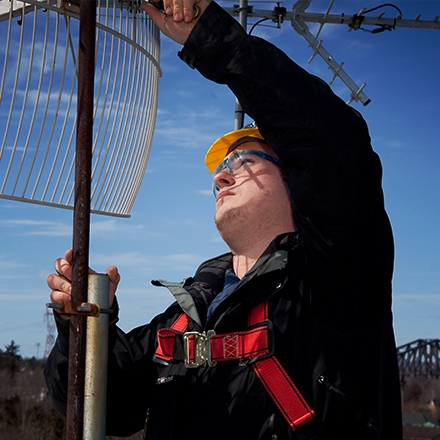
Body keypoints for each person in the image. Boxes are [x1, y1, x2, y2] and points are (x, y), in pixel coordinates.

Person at [44, 0, 403, 438]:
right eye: (220, 169)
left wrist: (213, 39)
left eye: (246, 158)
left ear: (298, 177)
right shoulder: (186, 316)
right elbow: (104, 409)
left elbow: (330, 140)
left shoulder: (336, 282)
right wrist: (80, 324)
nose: (221, 174)